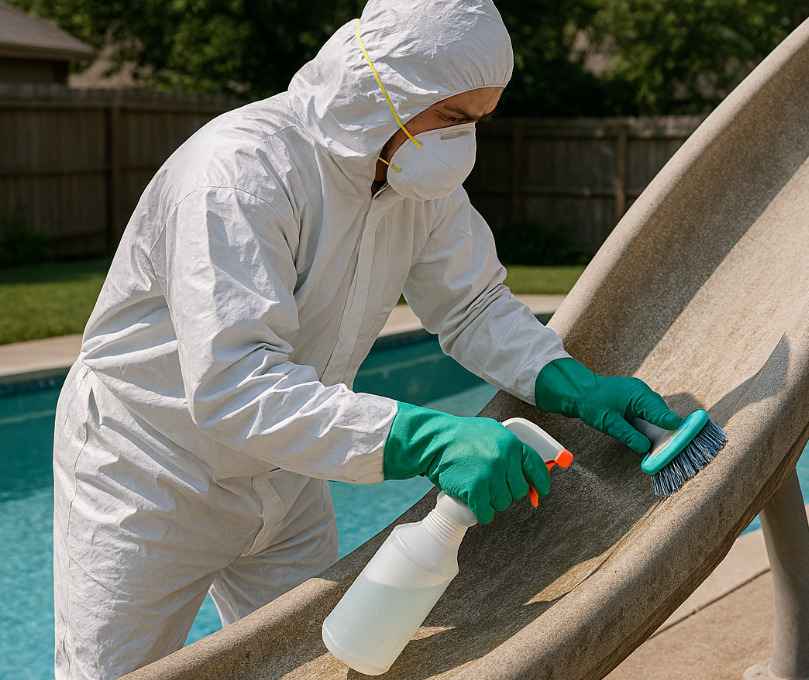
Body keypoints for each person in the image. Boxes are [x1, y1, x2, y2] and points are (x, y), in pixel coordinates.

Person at [51, 1, 682, 678]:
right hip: (149, 476)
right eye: (454, 118)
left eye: (479, 121)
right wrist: (426, 438)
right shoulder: (238, 175)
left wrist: (569, 382)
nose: (465, 142)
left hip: (285, 475)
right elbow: (235, 385)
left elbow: (472, 305)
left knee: (325, 663)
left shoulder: (417, 180)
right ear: (387, 94)